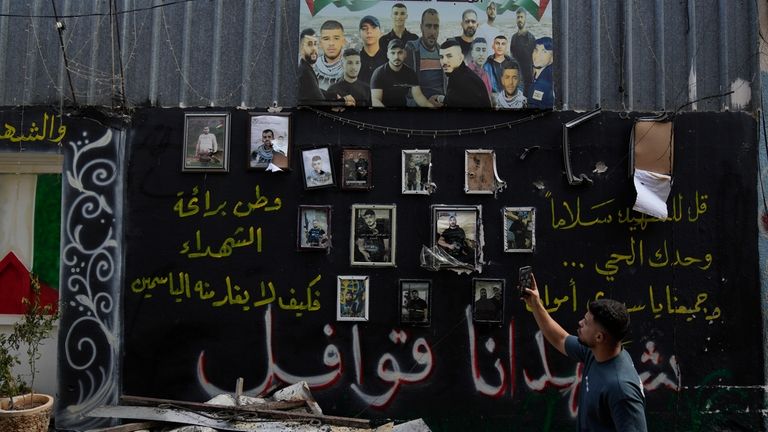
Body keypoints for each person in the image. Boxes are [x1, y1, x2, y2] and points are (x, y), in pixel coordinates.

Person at [521, 275, 648, 431]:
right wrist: (535, 304)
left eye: (586, 322)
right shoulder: (596, 353)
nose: (580, 323)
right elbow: (561, 339)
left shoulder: (621, 390)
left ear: (599, 337)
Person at [371, 39, 434, 108]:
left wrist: (433, 108)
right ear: (387, 55)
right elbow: (375, 100)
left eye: (400, 53)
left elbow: (418, 96)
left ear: (405, 54)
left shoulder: (410, 73)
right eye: (393, 53)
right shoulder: (379, 73)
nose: (396, 57)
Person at [404, 8, 445, 107]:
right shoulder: (411, 50)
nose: (432, 32)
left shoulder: (442, 52)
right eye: (428, 26)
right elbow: (404, 92)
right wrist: (426, 104)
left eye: (436, 27)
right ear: (421, 27)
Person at [439, 39, 491, 108]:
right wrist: (441, 98)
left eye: (449, 56)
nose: (444, 61)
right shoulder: (459, 75)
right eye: (441, 57)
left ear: (460, 58)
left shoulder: (465, 81)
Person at [510, 8, 537, 96]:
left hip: (529, 78)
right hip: (517, 79)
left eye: (522, 17)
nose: (520, 19)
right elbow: (512, 57)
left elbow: (535, 60)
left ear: (525, 19)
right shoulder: (513, 38)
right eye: (518, 17)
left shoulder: (531, 38)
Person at [314, 20, 346, 91]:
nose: (331, 43)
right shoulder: (312, 68)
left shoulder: (353, 68)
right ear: (320, 43)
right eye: (326, 39)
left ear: (343, 42)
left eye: (336, 38)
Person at [298, 28, 325, 104]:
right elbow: (321, 102)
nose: (314, 48)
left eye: (315, 44)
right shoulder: (305, 74)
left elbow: (316, 90)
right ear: (301, 48)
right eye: (309, 44)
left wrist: (334, 95)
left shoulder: (305, 68)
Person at [358, 16, 387, 86]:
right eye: (364, 28)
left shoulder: (389, 60)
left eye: (373, 28)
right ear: (359, 33)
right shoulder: (355, 61)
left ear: (380, 32)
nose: (369, 31)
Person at [528, 36, 554, 109]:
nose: (537, 55)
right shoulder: (539, 73)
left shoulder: (543, 83)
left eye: (544, 51)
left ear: (552, 58)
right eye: (536, 50)